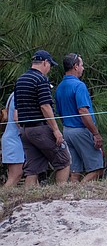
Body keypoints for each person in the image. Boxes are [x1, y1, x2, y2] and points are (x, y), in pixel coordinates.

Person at [14, 51, 71, 187]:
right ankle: (61, 195)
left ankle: (28, 202)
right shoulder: (41, 79)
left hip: (25, 130)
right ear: (45, 62)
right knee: (63, 160)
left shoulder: (20, 79)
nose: (49, 68)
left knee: (33, 169)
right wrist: (56, 130)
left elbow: (16, 110)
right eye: (50, 64)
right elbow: (45, 106)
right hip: (40, 128)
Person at [55, 53, 104, 182]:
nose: (83, 68)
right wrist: (96, 133)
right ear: (75, 66)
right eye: (82, 65)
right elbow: (83, 111)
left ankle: (71, 196)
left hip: (67, 130)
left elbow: (59, 112)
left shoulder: (59, 88)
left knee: (75, 171)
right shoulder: (79, 86)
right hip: (80, 129)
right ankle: (81, 193)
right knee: (96, 168)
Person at [1, 94, 24, 187]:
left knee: (31, 174)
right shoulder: (19, 95)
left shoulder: (13, 95)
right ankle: (3, 198)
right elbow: (16, 118)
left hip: (11, 138)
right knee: (15, 175)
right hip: (14, 140)